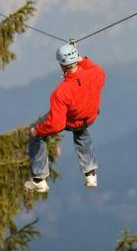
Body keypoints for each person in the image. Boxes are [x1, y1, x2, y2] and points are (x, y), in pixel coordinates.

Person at [25, 43, 106, 193]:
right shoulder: (97, 74)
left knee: (36, 131)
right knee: (81, 132)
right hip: (89, 117)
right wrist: (80, 59)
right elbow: (91, 67)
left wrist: (37, 131)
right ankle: (90, 174)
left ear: (62, 65)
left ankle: (38, 179)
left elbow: (56, 125)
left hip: (73, 120)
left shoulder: (61, 92)